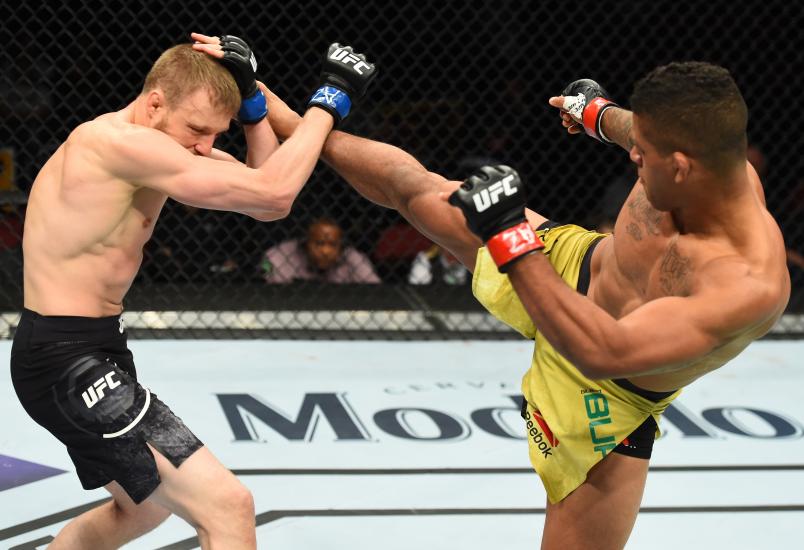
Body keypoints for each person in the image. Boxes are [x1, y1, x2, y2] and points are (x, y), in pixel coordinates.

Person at [266, 61, 790, 549]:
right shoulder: (695, 151)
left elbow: (604, 349)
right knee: (416, 191)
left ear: (680, 167)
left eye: (643, 154)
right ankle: (298, 126)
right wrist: (594, 114)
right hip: (575, 264)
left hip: (607, 395)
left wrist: (509, 235)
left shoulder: (747, 284)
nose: (633, 157)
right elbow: (633, 127)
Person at [10, 33, 376, 549]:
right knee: (228, 506)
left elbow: (264, 195)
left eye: (214, 133)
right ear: (155, 102)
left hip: (90, 349)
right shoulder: (118, 144)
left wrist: (251, 101)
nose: (205, 146)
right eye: (198, 129)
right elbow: (275, 188)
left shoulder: (163, 144)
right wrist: (329, 99)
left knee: (142, 510)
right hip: (66, 361)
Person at [261, 216, 380, 283]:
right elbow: (267, 285)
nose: (325, 251)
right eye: (319, 243)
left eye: (333, 244)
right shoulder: (281, 255)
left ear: (341, 245)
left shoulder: (352, 258)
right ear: (306, 241)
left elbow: (374, 287)